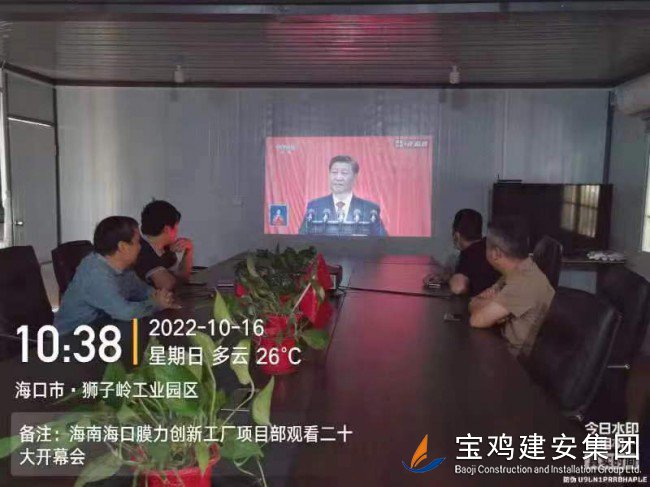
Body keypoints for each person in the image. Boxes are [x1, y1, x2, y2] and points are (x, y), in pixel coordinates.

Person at [54, 216, 176, 333]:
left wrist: (161, 296)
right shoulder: (96, 273)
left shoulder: (124, 268)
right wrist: (155, 304)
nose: (140, 247)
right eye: (137, 242)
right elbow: (124, 312)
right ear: (122, 247)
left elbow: (140, 290)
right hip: (71, 338)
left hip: (102, 330)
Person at [468, 217, 555, 357]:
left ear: (496, 253)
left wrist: (480, 303)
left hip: (514, 362)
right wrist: (487, 303)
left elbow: (476, 320)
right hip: (500, 346)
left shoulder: (525, 282)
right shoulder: (517, 271)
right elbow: (480, 300)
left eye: (486, 245)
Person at [299, 155, 387, 236]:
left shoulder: (369, 209)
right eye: (334, 172)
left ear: (355, 177)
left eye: (344, 173)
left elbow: (383, 243)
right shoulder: (315, 207)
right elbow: (301, 241)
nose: (338, 178)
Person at [135, 200, 194, 291]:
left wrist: (188, 251)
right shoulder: (142, 250)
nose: (177, 231)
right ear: (167, 229)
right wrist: (175, 278)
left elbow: (182, 278)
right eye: (176, 226)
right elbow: (168, 285)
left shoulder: (165, 248)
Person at [448, 209, 500, 296]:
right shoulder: (489, 245)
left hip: (483, 301)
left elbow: (458, 287)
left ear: (457, 235)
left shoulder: (468, 255)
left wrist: (450, 279)